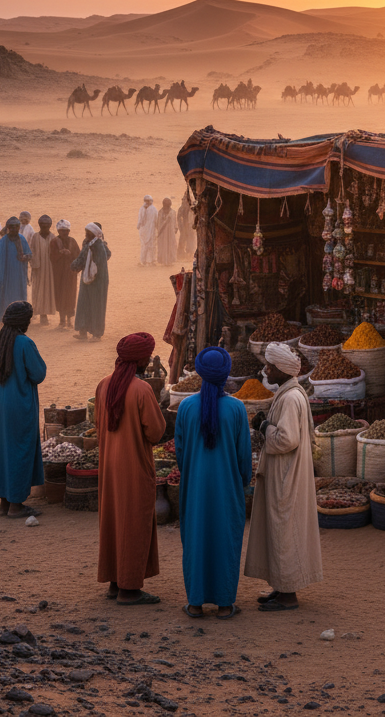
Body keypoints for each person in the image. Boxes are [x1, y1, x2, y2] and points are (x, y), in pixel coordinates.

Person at [244, 341, 322, 611]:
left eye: (270, 366)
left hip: (286, 475)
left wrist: (264, 426)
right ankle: (280, 587)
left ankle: (288, 594)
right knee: (279, 529)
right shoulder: (289, 392)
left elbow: (286, 439)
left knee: (284, 529)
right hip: (283, 473)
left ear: (282, 370)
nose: (266, 370)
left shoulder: (290, 397)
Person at [175, 346, 252, 619]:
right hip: (227, 487)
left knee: (196, 539)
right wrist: (244, 481)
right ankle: (224, 605)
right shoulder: (236, 408)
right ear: (226, 375)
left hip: (194, 487)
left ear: (200, 373)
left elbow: (181, 453)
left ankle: (195, 603)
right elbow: (244, 455)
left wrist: (193, 473)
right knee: (225, 539)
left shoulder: (185, 407)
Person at [95, 332, 167, 605]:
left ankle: (115, 582)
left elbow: (101, 423)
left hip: (110, 467)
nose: (150, 360)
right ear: (140, 360)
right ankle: (129, 589)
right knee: (134, 523)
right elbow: (156, 432)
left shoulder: (103, 385)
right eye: (148, 356)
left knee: (114, 521)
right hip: (135, 467)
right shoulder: (142, 390)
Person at [0, 301, 46, 519]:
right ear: (24, 322)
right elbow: (38, 374)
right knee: (20, 451)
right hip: (20, 407)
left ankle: (4, 502)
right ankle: (16, 506)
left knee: (3, 450)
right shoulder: (24, 343)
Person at [71, 223, 111, 340]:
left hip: (98, 281)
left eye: (88, 233)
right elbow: (82, 258)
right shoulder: (87, 243)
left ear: (93, 233)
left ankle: (96, 333)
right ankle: (83, 331)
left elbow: (100, 263)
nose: (86, 234)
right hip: (86, 279)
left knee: (96, 305)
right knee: (84, 304)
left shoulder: (99, 246)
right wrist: (75, 266)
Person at [0, 217, 31, 318]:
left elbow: (29, 254)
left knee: (20, 297)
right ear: (7, 228)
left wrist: (25, 257)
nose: (14, 229)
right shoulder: (3, 242)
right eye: (11, 227)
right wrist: (1, 279)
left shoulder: (22, 239)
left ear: (19, 227)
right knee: (7, 297)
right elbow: (1, 262)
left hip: (20, 275)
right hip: (7, 276)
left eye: (16, 227)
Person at [50, 220, 80, 330]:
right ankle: (62, 320)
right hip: (58, 274)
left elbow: (78, 255)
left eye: (66, 231)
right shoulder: (54, 242)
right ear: (58, 230)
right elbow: (52, 257)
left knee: (70, 296)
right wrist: (60, 253)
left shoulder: (73, 241)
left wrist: (70, 254)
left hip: (70, 274)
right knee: (60, 295)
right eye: (62, 231)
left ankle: (69, 320)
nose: (65, 233)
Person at [29, 216, 57, 324]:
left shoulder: (53, 238)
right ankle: (41, 314)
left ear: (50, 226)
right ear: (39, 225)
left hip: (50, 270)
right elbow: (31, 251)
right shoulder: (35, 237)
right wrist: (34, 264)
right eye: (42, 226)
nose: (45, 228)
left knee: (48, 291)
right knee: (39, 290)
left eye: (47, 226)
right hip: (39, 269)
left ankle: (46, 314)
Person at [156, 198, 177, 266]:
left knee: (171, 246)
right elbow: (158, 223)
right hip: (163, 233)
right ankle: (164, 261)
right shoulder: (160, 212)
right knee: (163, 246)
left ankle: (170, 261)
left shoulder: (173, 212)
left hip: (171, 233)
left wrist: (175, 229)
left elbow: (175, 222)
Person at [137, 195, 158, 266]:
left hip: (148, 230)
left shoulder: (144, 209)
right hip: (147, 230)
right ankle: (148, 261)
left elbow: (139, 222)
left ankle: (148, 261)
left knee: (148, 245)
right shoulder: (150, 209)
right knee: (148, 245)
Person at [177, 190, 196, 260]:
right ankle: (180, 255)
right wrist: (181, 227)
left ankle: (190, 254)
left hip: (190, 227)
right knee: (182, 240)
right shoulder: (181, 208)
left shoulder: (192, 209)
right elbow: (179, 218)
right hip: (184, 226)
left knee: (191, 241)